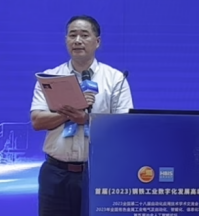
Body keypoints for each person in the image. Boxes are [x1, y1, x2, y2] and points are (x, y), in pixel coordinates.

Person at [30, 15, 133, 216]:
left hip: (99, 172)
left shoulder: (115, 79)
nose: (77, 40)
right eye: (72, 35)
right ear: (66, 40)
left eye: (84, 35)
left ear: (97, 42)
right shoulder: (50, 77)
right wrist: (69, 112)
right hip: (56, 174)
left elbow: (124, 127)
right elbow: (37, 121)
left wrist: (86, 120)